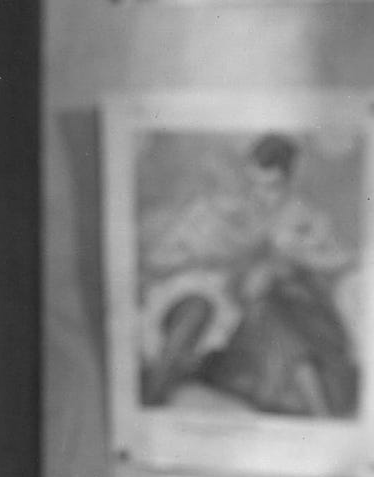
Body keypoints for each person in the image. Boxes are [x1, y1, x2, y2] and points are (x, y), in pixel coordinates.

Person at [140, 132, 358, 416]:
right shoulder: (234, 213)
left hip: (300, 309)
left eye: (271, 187)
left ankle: (323, 416)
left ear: (289, 181)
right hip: (250, 315)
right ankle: (153, 398)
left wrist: (297, 259)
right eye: (253, 184)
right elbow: (168, 259)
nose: (259, 194)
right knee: (216, 312)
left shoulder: (307, 217)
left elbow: (340, 260)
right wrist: (204, 255)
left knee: (277, 314)